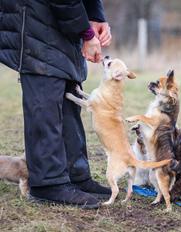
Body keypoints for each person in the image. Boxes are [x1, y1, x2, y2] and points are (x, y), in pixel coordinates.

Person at [0, 0, 112, 209]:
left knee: (67, 97)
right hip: (35, 19)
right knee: (46, 98)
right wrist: (86, 33)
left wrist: (96, 15)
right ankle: (48, 183)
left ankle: (74, 175)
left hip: (59, 22)